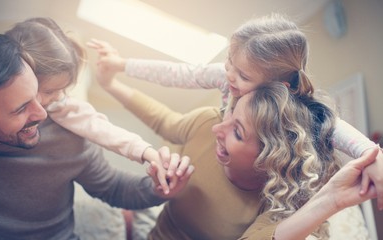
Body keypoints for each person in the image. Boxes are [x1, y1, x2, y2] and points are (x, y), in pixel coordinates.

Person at [90, 50, 379, 240]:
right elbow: (163, 119)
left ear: (268, 159)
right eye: (230, 112)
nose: (219, 127)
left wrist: (331, 199)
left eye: (237, 132)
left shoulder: (277, 200)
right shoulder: (207, 122)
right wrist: (110, 84)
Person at [87, 13, 383, 207]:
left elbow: (336, 127)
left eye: (243, 76)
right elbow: (179, 73)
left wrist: (373, 156)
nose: (230, 76)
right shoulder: (226, 75)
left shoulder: (293, 105)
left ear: (279, 85)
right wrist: (122, 64)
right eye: (230, 62)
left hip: (255, 196)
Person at [0, 33, 193, 240]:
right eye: (20, 109)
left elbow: (113, 187)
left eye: (38, 94)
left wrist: (158, 187)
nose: (42, 113)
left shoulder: (67, 133)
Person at [4, 17, 188, 194]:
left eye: (62, 90)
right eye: (50, 91)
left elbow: (101, 128)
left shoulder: (61, 108)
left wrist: (148, 153)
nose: (59, 97)